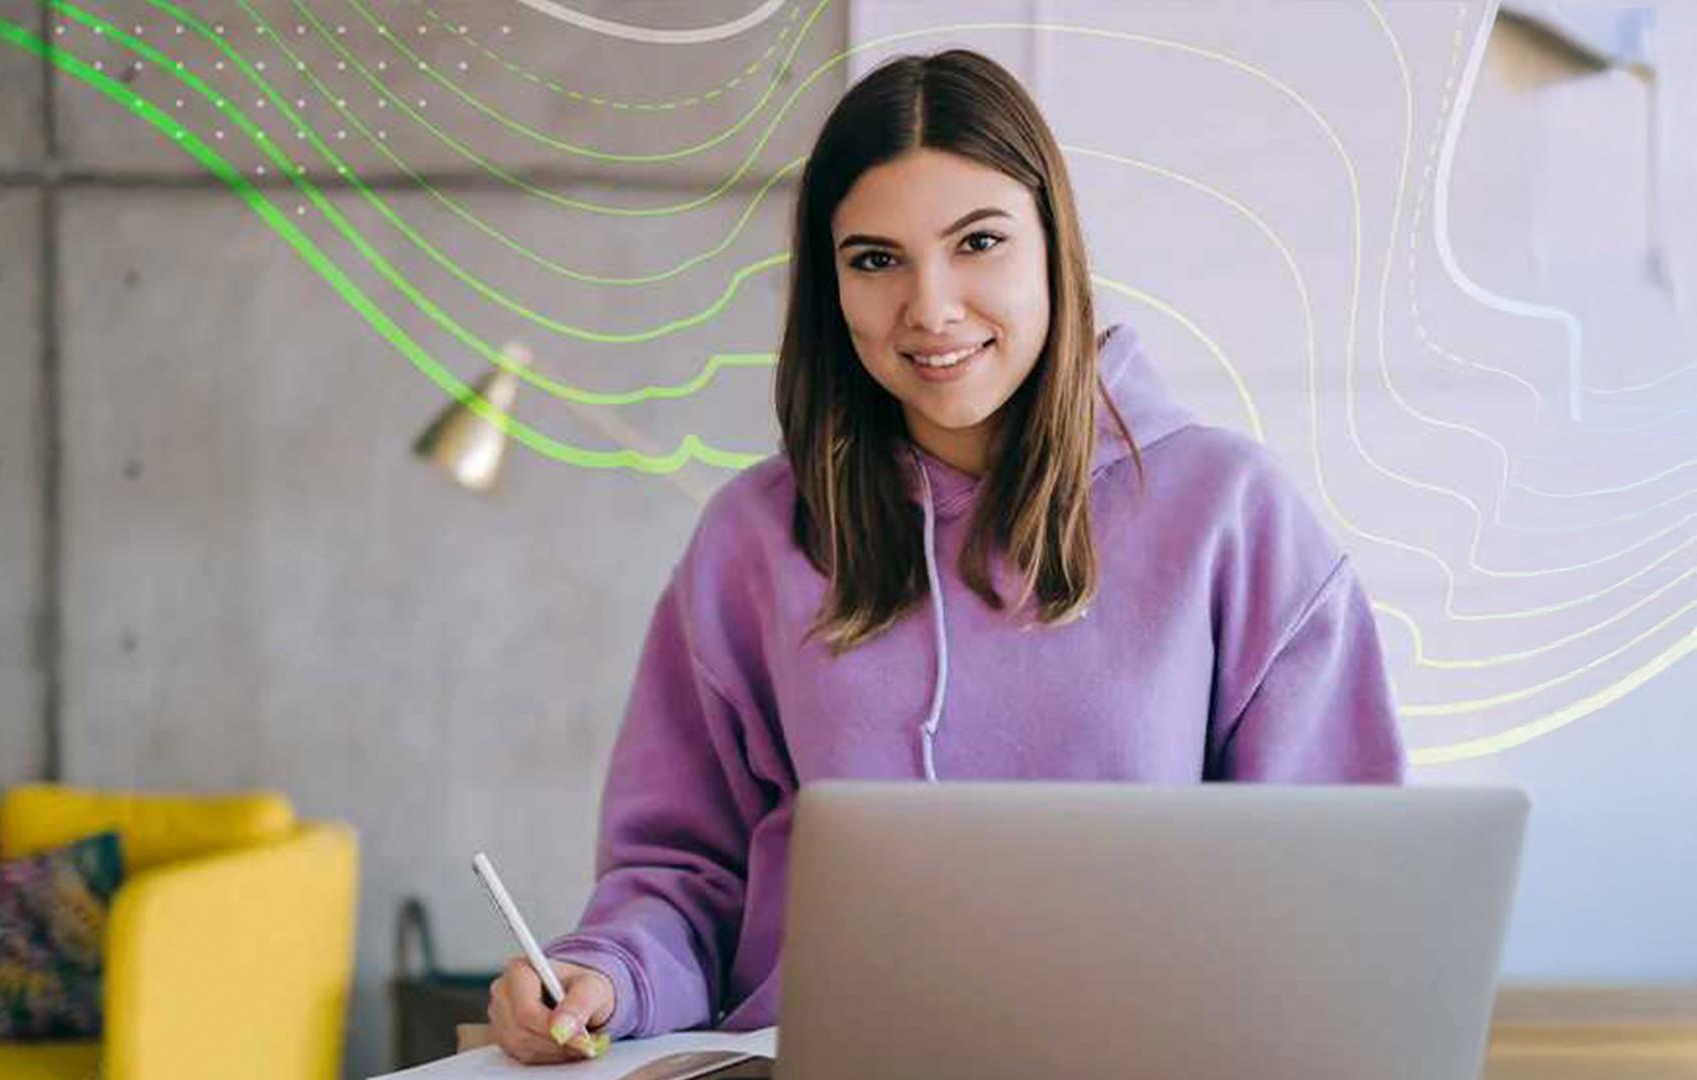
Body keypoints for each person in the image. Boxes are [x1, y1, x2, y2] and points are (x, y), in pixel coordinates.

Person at [486, 47, 1406, 1065]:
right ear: (830, 284)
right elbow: (681, 876)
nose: (929, 307)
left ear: (1056, 247)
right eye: (874, 259)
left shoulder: (1233, 518)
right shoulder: (751, 539)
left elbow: (1337, 901)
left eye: (978, 242)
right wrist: (606, 972)